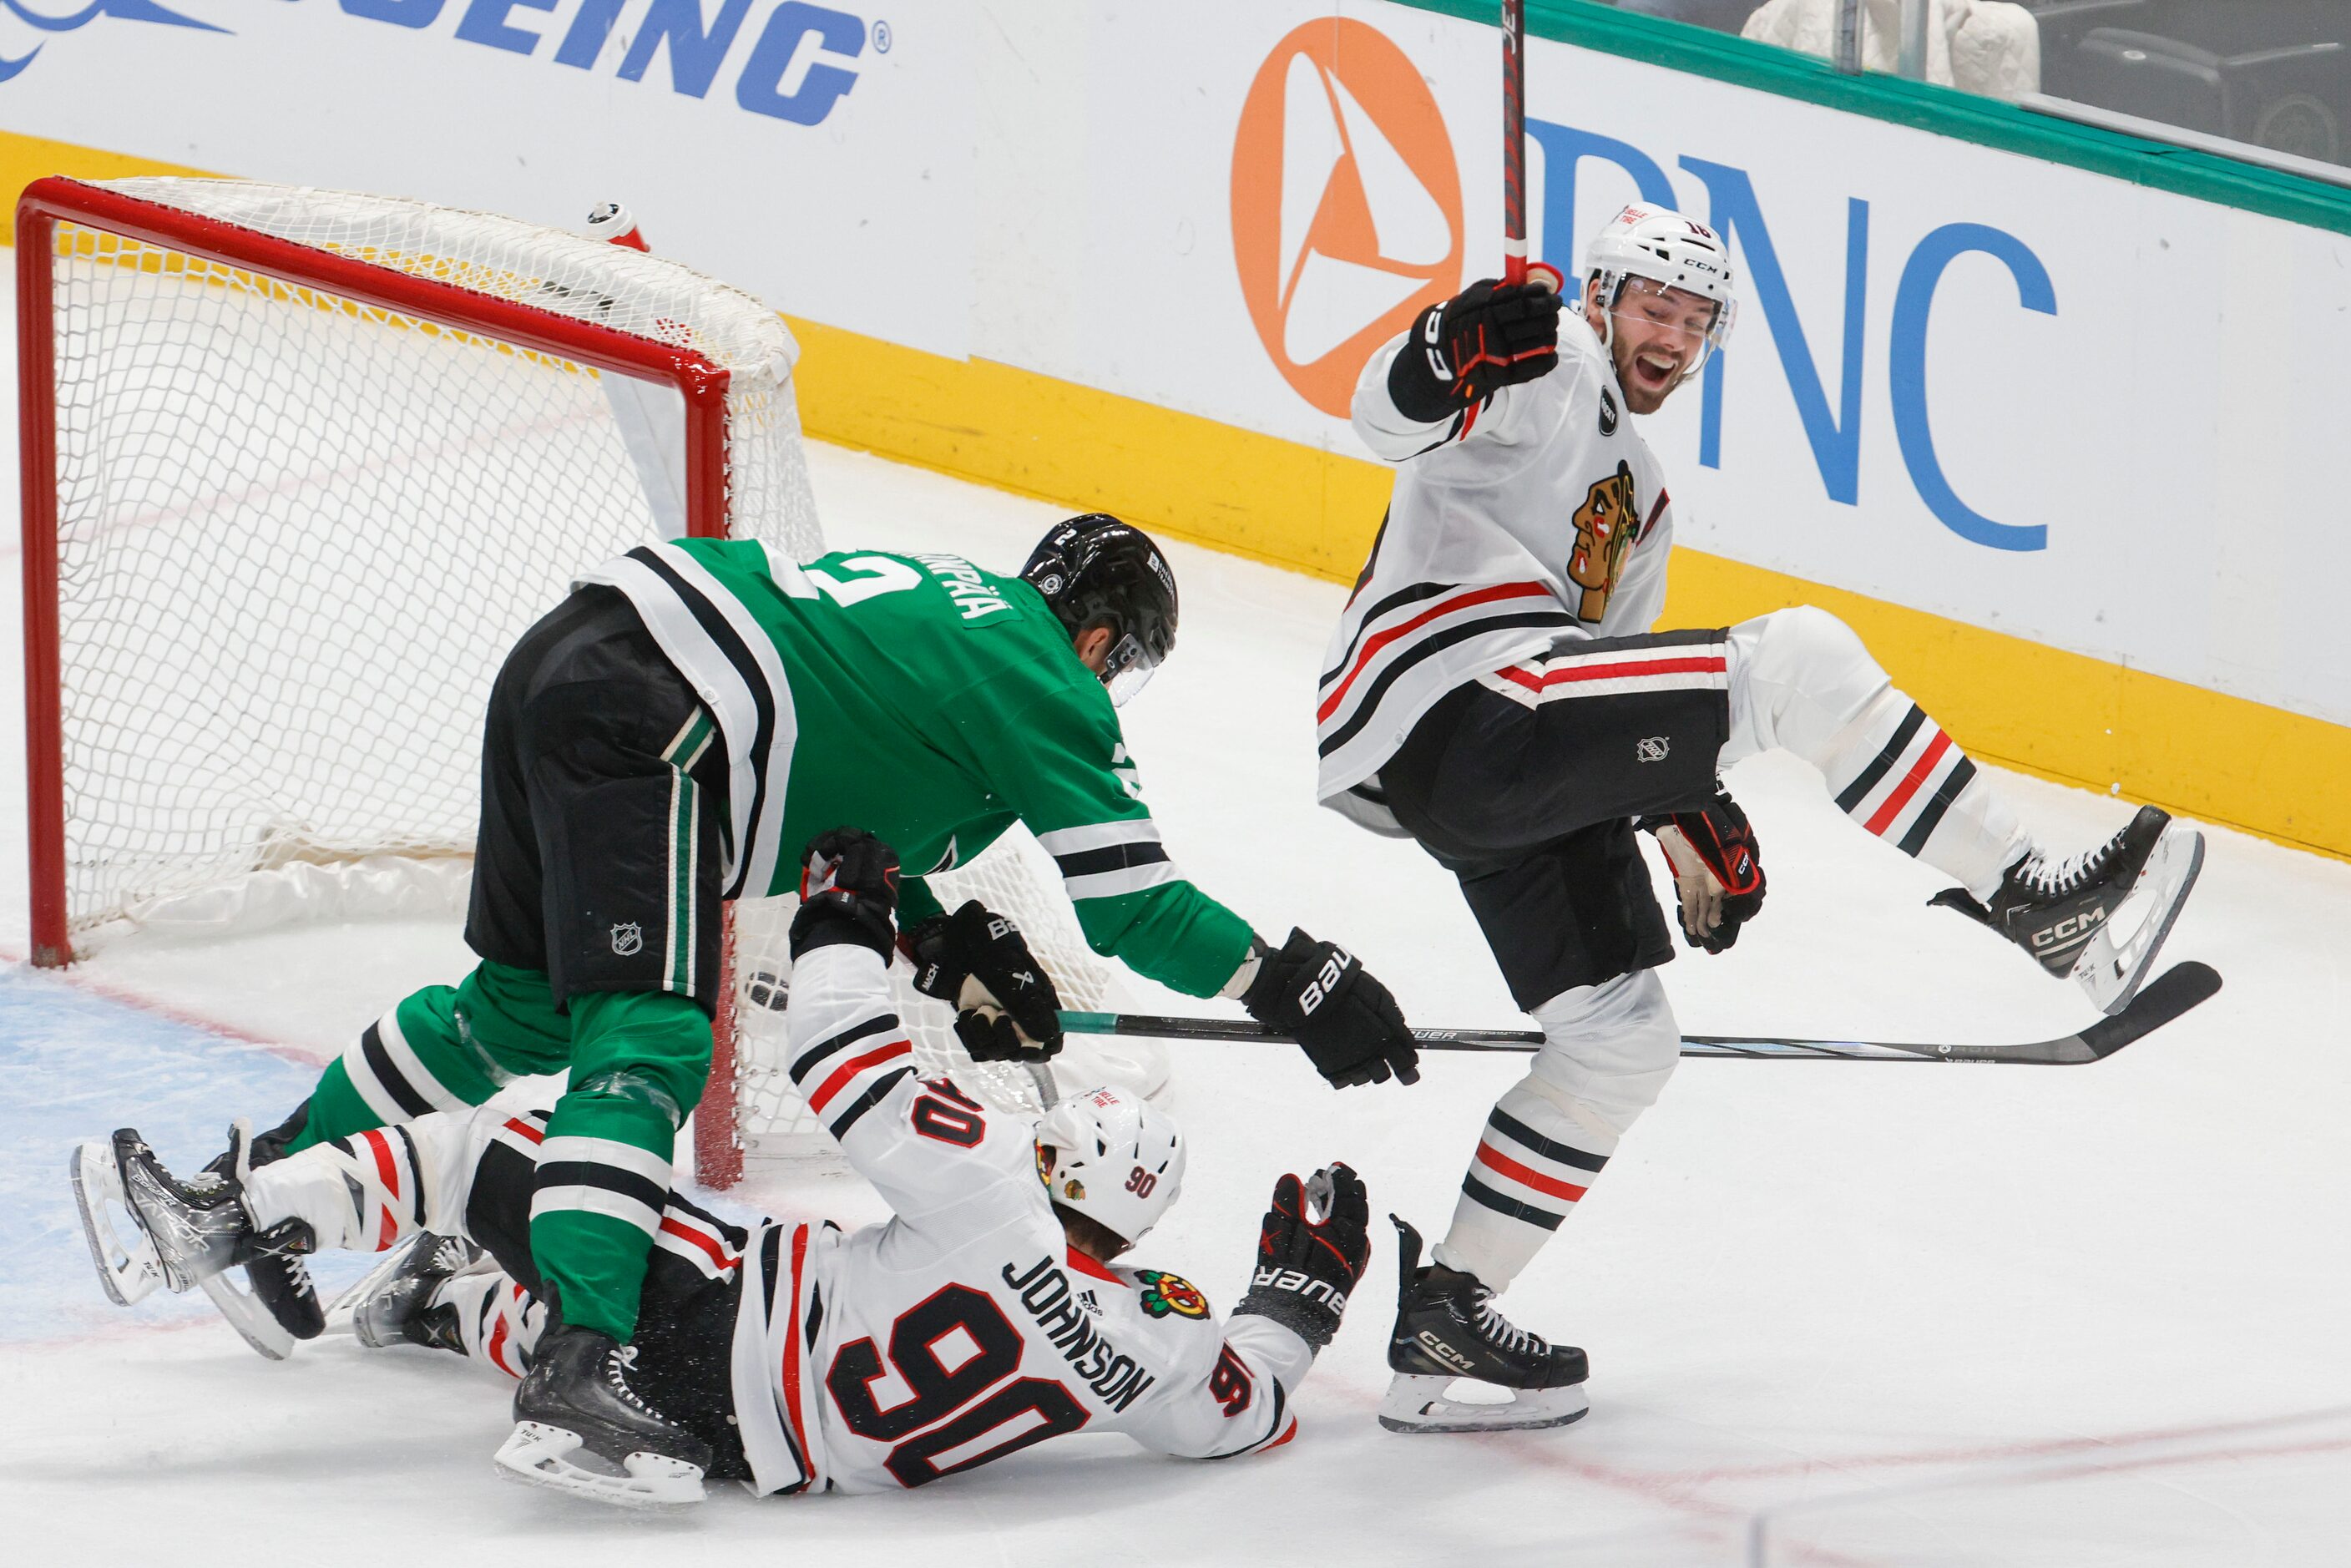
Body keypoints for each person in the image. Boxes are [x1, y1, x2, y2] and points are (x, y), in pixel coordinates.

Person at [80, 513, 1417, 1462]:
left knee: (515, 1014)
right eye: (1118, 666)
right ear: (1105, 632)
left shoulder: (940, 617)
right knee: (652, 1036)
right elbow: (1135, 906)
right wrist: (1295, 981)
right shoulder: (1038, 667)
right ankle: (584, 1363)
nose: (1109, 691)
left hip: (570, 662)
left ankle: (239, 1195)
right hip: (655, 718)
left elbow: (848, 841)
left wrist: (943, 946)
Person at [1320, 204, 2203, 1433]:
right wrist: (1445, 342)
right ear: (1601, 296)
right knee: (1797, 658)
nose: (1673, 336)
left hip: (1508, 756)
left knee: (1622, 1040)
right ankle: (2034, 897)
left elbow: (1613, 682)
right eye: (1655, 306)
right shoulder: (1545, 359)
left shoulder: (1646, 492)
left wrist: (1684, 808)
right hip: (1455, 699)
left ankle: (1445, 1321)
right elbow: (1381, 415)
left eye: (1696, 320)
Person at [85, 830, 1374, 1505]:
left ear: (1057, 1162)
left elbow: (844, 1058)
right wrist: (1295, 1302)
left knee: (503, 1144)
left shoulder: (992, 1188)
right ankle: (436, 1304)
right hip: (753, 1449)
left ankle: (230, 1211)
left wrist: (846, 918)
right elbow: (1238, 1410)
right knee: (611, 1297)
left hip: (728, 1327)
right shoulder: (1133, 1333)